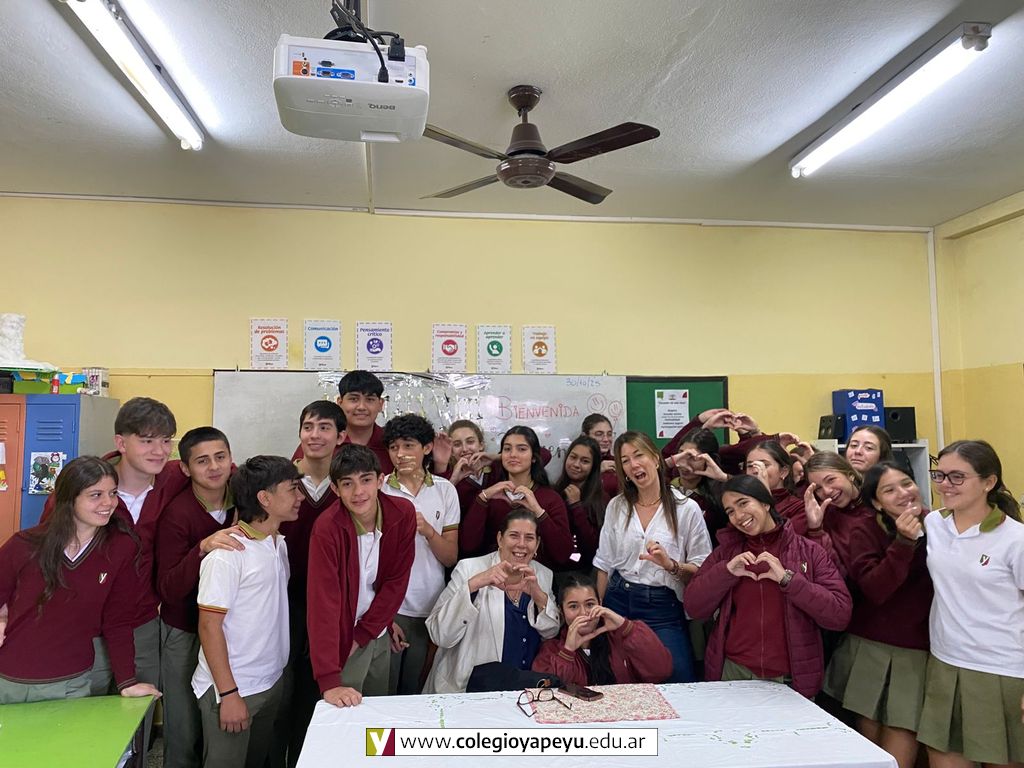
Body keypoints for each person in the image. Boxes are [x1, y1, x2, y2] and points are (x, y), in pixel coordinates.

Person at [0, 456, 159, 703]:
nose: (108, 503)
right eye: (96, 495)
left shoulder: (121, 548)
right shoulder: (23, 545)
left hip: (72, 683)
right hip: (10, 680)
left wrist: (126, 682)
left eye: (113, 493)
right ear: (69, 499)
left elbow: (118, 621)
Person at [686, 475, 851, 697]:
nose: (738, 516)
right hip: (734, 672)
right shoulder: (726, 552)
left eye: (743, 503)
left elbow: (839, 615)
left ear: (765, 503)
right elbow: (694, 607)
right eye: (730, 511)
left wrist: (788, 579)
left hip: (791, 678)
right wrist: (725, 573)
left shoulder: (809, 551)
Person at [917, 440, 1024, 768]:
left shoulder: (1015, 539)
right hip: (945, 663)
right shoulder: (934, 524)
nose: (945, 485)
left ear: (989, 482)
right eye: (940, 475)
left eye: (958, 477)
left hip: (1002, 671)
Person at [192, 456, 300, 768]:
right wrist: (229, 694)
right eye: (292, 489)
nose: (300, 497)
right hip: (233, 689)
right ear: (265, 498)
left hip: (270, 681)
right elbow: (209, 627)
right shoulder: (227, 555)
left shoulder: (278, 543)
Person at [823, 461, 932, 768]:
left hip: (919, 649)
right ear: (876, 502)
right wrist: (904, 542)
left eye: (907, 483)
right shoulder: (866, 528)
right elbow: (875, 588)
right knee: (870, 743)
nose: (903, 493)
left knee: (904, 729)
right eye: (889, 490)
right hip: (872, 646)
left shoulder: (937, 523)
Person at [593, 431, 712, 683]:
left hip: (662, 607)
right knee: (618, 681)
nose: (634, 464)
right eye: (625, 460)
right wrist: (600, 610)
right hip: (618, 599)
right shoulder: (617, 506)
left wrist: (670, 565)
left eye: (639, 455)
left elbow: (703, 569)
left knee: (678, 681)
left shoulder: (686, 509)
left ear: (656, 459)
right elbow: (604, 564)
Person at [156, 427, 242, 768]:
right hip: (185, 630)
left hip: (230, 629)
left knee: (222, 714)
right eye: (202, 461)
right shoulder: (177, 514)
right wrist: (203, 548)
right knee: (184, 722)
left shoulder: (244, 499)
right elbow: (168, 589)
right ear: (185, 468)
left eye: (220, 457)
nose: (214, 467)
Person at [307, 445, 416, 708]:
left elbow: (396, 581)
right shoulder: (327, 528)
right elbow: (323, 604)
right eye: (347, 484)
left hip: (375, 630)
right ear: (335, 489)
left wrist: (369, 630)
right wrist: (329, 679)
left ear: (381, 480)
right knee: (344, 714)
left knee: (376, 713)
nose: (358, 492)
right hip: (340, 640)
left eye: (366, 480)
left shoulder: (402, 513)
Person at [424, 509, 561, 693]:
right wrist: (474, 584)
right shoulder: (469, 569)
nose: (521, 544)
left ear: (537, 544)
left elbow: (550, 632)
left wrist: (538, 596)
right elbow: (440, 634)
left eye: (529, 538)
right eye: (514, 535)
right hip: (468, 689)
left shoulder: (543, 575)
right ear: (500, 539)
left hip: (524, 690)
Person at [277, 400, 346, 766]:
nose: (314, 435)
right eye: (308, 427)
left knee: (318, 690)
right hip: (283, 602)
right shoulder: (281, 481)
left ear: (341, 436)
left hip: (333, 604)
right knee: (280, 691)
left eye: (324, 427)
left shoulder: (348, 485)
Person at [381, 414, 460, 695]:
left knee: (417, 690)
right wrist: (383, 614)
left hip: (431, 607)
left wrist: (428, 531)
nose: (400, 454)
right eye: (393, 447)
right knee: (385, 690)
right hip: (390, 607)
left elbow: (450, 557)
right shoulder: (379, 488)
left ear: (427, 448)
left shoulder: (445, 490)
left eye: (408, 445)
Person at [459, 426, 573, 568]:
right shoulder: (490, 495)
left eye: (521, 449)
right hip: (492, 575)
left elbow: (563, 555)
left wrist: (539, 512)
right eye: (507, 449)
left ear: (534, 457)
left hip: (535, 576)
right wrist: (483, 498)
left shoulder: (550, 498)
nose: (513, 454)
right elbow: (468, 546)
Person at [532, 571, 671, 685]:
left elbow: (661, 671)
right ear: (561, 610)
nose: (583, 613)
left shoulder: (621, 636)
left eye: (590, 604)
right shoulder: (551, 649)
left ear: (600, 603)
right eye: (573, 606)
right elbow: (550, 694)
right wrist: (567, 651)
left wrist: (625, 626)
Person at [802, 452, 874, 575]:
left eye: (830, 480)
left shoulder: (877, 503)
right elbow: (830, 570)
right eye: (818, 488)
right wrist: (815, 530)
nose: (827, 491)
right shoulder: (826, 517)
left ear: (850, 475)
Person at [553, 435, 606, 571]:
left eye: (585, 461)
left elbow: (594, 546)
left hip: (587, 571)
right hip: (555, 569)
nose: (576, 464)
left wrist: (576, 506)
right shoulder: (554, 492)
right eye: (573, 457)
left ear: (594, 466)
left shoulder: (601, 499)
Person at [744, 440, 807, 534]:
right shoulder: (743, 501)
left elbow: (784, 538)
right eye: (750, 466)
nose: (755, 470)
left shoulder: (798, 507)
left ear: (783, 472)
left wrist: (765, 496)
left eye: (764, 465)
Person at [581, 413, 619, 498]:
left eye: (609, 434)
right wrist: (597, 470)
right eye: (599, 434)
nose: (606, 439)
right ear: (585, 436)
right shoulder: (577, 462)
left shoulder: (617, 462)